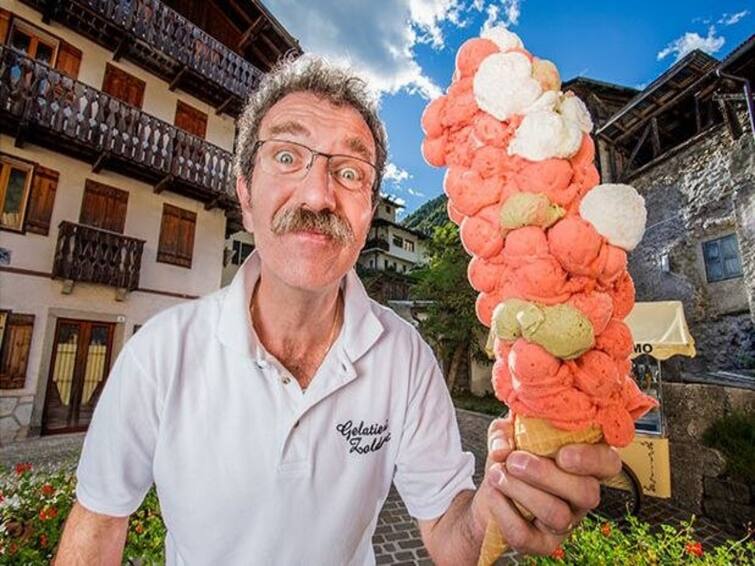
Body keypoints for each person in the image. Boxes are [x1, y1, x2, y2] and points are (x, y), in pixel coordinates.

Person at [54, 56, 621, 565]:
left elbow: (451, 537)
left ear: (370, 212)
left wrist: (495, 507)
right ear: (245, 194)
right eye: (286, 155)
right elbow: (99, 522)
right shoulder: (159, 352)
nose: (318, 195)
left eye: (350, 172)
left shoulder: (406, 359)